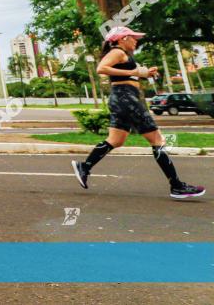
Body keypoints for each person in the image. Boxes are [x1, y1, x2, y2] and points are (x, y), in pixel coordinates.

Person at [71, 26, 205, 199]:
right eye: (132, 37)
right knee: (158, 140)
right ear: (122, 39)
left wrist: (145, 73)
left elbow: (127, 75)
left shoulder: (125, 55)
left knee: (116, 140)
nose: (136, 40)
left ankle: (84, 167)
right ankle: (177, 186)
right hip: (126, 98)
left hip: (121, 99)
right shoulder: (117, 51)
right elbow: (101, 69)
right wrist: (134, 72)